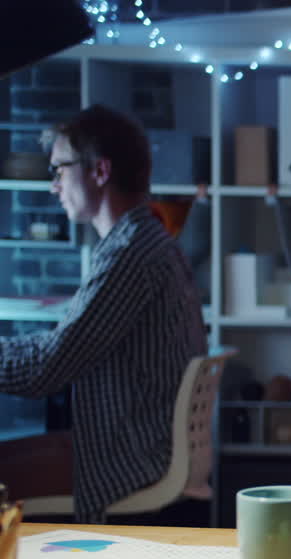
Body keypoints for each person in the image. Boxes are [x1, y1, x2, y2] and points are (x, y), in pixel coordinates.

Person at [0, 104, 207, 523]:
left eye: (59, 169)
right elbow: (64, 347)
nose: (53, 186)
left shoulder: (130, 253)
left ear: (99, 171)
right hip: (139, 444)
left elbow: (49, 367)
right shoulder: (147, 238)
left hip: (129, 460)